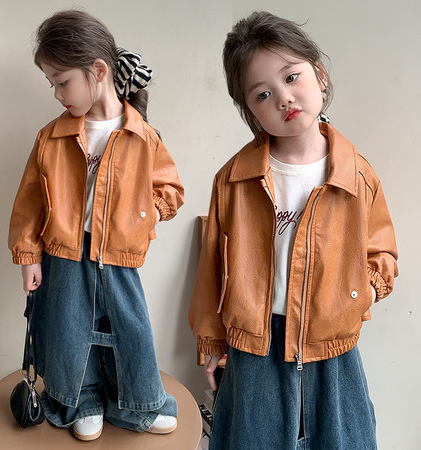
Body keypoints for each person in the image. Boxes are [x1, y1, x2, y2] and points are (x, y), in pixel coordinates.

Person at [189, 11, 397, 450]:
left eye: (291, 77)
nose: (284, 98)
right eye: (263, 94)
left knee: (344, 439)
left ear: (319, 75)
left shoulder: (357, 175)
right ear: (250, 110)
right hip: (255, 343)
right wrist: (212, 340)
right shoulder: (233, 180)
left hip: (332, 345)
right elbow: (212, 267)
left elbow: (381, 254)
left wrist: (357, 295)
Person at [8, 10, 184, 441]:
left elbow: (170, 191)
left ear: (98, 71)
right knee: (69, 328)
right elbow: (30, 202)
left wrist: (140, 219)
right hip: (65, 251)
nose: (56, 94)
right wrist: (28, 257)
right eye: (51, 84)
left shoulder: (142, 135)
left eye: (62, 81)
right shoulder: (51, 137)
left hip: (119, 252)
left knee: (128, 328)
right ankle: (80, 400)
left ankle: (136, 403)